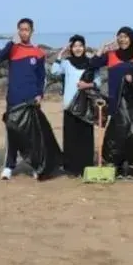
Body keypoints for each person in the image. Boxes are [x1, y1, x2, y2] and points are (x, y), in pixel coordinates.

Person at [0, 18, 46, 180]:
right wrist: (10, 43)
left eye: (27, 29)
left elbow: (41, 77)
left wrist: (39, 94)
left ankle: (35, 165)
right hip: (14, 98)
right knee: (12, 132)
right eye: (21, 29)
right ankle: (9, 166)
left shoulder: (38, 52)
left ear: (32, 31)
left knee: (32, 135)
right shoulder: (12, 49)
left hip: (31, 99)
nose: (24, 32)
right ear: (18, 31)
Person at [89, 26, 133, 179]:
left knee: (131, 133)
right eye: (120, 36)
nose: (122, 39)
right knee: (117, 133)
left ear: (131, 38)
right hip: (116, 99)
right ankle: (119, 165)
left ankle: (132, 164)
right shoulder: (111, 55)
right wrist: (102, 48)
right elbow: (93, 63)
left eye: (126, 36)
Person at [50, 34, 100, 177]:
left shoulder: (91, 63)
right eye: (75, 46)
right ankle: (71, 168)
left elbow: (98, 82)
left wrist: (87, 85)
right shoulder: (66, 63)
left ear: (84, 47)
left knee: (85, 138)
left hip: (86, 105)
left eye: (80, 46)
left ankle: (86, 167)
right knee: (71, 138)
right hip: (69, 106)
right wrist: (60, 55)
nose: (78, 49)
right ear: (71, 48)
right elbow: (54, 71)